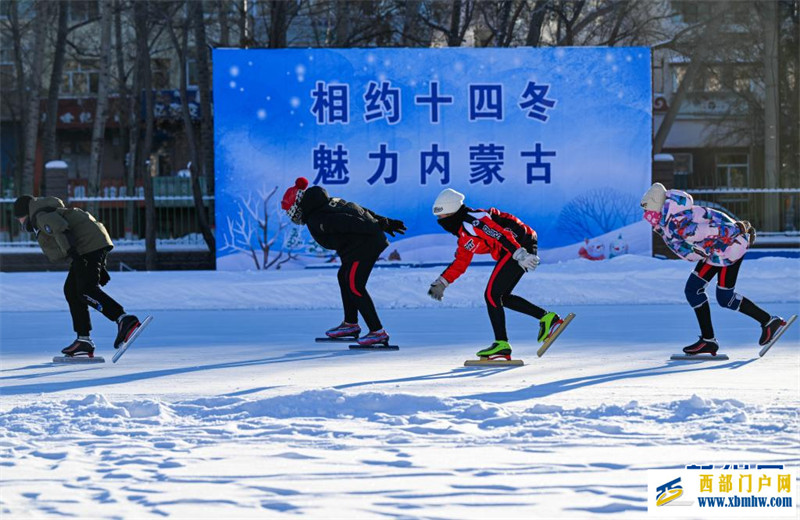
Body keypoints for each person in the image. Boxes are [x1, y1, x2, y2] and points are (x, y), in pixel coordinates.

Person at [640, 183, 785, 355]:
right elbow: (687, 243)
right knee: (694, 290)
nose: (646, 216)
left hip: (729, 248)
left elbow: (713, 230)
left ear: (657, 206)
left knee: (724, 297)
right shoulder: (671, 220)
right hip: (715, 251)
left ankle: (769, 322)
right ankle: (708, 340)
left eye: (648, 211)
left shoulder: (678, 221)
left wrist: (736, 229)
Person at [427, 188, 562, 360]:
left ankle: (501, 344)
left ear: (451, 212)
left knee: (491, 294)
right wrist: (442, 282)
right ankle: (547, 318)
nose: (440, 222)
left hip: (518, 245)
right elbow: (461, 261)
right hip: (516, 249)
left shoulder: (474, 221)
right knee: (501, 297)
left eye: (442, 217)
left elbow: (500, 235)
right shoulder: (464, 235)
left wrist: (521, 255)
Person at [280, 177, 406, 346]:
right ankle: (350, 324)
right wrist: (383, 222)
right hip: (357, 246)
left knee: (355, 285)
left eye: (292, 212)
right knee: (344, 277)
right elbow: (359, 210)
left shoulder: (318, 217)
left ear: (299, 206)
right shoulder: (326, 203)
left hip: (365, 245)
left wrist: (379, 225)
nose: (293, 217)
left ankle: (378, 332)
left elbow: (352, 221)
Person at [13, 195, 142, 358]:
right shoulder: (46, 211)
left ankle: (123, 319)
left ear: (25, 213)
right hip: (89, 245)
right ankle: (84, 340)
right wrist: (96, 264)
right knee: (71, 290)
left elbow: (60, 228)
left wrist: (74, 255)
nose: (19, 222)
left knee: (85, 291)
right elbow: (81, 230)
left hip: (86, 248)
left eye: (19, 218)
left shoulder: (40, 215)